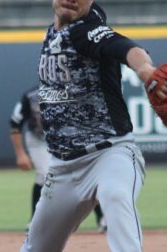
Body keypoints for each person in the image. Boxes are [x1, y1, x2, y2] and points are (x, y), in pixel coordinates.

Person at [0, 0, 167, 252]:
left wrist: (146, 71)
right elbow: (68, 3)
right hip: (63, 168)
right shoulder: (63, 23)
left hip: (110, 153)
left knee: (117, 196)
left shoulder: (88, 33)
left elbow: (124, 47)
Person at [10, 85, 106, 232]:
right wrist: (20, 154)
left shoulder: (75, 92)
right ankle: (34, 221)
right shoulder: (31, 96)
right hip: (38, 139)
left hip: (67, 136)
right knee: (44, 176)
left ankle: (102, 219)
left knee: (85, 175)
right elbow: (15, 124)